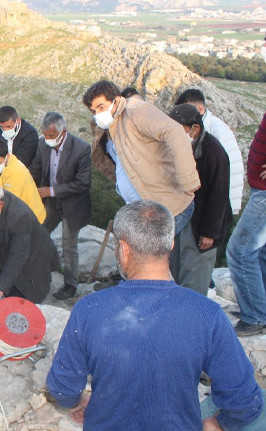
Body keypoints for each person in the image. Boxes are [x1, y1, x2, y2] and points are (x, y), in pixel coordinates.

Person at [46, 200, 263, 430]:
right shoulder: (207, 314)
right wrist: (219, 424)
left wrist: (75, 403)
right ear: (170, 243)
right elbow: (245, 401)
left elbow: (63, 385)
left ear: (123, 249)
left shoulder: (89, 310)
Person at [83, 80, 200, 237]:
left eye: (101, 107)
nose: (97, 115)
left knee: (147, 257)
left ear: (116, 101)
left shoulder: (135, 111)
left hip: (170, 208)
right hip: (147, 210)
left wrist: (188, 178)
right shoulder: (113, 125)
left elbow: (174, 131)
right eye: (93, 111)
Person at [167, 104, 232, 295]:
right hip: (183, 218)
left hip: (202, 226)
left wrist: (209, 232)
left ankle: (193, 320)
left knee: (194, 277)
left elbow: (219, 195)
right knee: (176, 272)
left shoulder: (213, 152)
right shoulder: (181, 148)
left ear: (194, 128)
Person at [30, 112, 91, 300]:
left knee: (68, 245)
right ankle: (38, 273)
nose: (47, 139)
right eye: (45, 134)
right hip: (51, 203)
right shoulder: (42, 144)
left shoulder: (81, 148)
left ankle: (71, 285)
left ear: (62, 132)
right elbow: (36, 168)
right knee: (39, 233)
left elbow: (83, 183)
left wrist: (52, 191)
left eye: (50, 135)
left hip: (73, 204)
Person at [0, 180, 58, 312]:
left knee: (22, 301)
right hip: (5, 248)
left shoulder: (20, 217)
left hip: (33, 257)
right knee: (7, 285)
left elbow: (17, 258)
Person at [176, 88, 245, 214]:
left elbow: (222, 173)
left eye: (186, 110)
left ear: (200, 109)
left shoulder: (216, 131)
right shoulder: (203, 128)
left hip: (221, 201)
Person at [228, 112, 266, 336]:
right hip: (260, 190)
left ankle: (255, 315)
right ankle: (260, 307)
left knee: (240, 250)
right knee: (261, 254)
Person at [0, 136, 46, 223]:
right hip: (21, 214)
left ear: (7, 156)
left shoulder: (16, 173)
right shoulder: (1, 165)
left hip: (32, 219)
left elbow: (8, 203)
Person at [0, 105, 39, 170]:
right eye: (2, 127)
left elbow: (22, 160)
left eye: (8, 126)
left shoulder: (29, 133)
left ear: (18, 121)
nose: (5, 130)